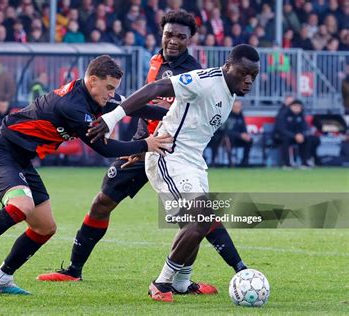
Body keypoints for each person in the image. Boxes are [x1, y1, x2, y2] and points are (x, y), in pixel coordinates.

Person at [37, 11, 248, 296]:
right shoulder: (155, 60)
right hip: (141, 146)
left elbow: (174, 113)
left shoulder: (193, 72)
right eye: (169, 34)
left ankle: (229, 272)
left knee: (199, 213)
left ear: (190, 41)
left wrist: (150, 138)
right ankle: (74, 270)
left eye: (180, 37)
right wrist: (137, 141)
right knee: (102, 203)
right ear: (162, 34)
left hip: (167, 148)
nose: (173, 41)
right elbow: (144, 102)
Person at [0, 55, 172, 295]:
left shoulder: (92, 96)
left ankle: (1, 278)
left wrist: (171, 112)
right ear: (93, 81)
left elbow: (132, 106)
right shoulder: (73, 107)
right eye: (109, 88)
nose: (112, 94)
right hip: (0, 151)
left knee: (45, 227)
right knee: (21, 206)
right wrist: (146, 144)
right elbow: (104, 148)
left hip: (21, 159)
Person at [87, 44, 260, 302]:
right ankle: (162, 282)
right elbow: (155, 88)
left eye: (253, 76)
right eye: (243, 73)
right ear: (228, 66)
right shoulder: (204, 80)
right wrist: (112, 118)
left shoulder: (230, 92)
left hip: (193, 161)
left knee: (194, 222)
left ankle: (181, 282)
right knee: (200, 217)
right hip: (169, 157)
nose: (248, 80)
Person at [274, 99, 318, 167]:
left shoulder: (301, 115)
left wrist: (302, 135)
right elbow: (281, 129)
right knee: (285, 140)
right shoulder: (283, 114)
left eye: (299, 107)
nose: (297, 108)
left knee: (310, 139)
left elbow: (305, 128)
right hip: (284, 136)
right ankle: (286, 163)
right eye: (296, 106)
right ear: (291, 106)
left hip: (298, 137)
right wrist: (294, 136)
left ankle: (305, 162)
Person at [224, 100, 253, 166]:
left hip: (239, 138)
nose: (238, 108)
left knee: (249, 141)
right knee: (228, 139)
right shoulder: (228, 116)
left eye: (239, 107)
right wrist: (240, 135)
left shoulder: (241, 116)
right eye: (236, 107)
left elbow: (244, 127)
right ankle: (230, 162)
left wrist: (245, 135)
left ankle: (245, 162)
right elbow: (227, 131)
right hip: (230, 139)